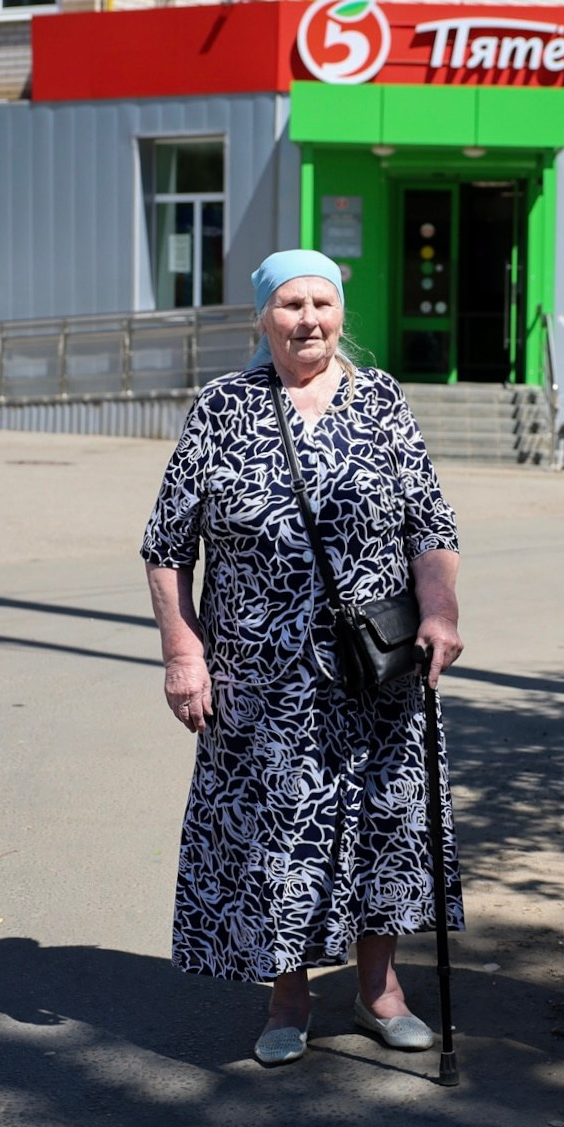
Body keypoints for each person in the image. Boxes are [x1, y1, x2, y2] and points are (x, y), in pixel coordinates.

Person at [141, 249, 466, 1065]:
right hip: (260, 681)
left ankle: (379, 991)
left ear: (341, 313)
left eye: (322, 303)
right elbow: (166, 546)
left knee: (382, 824)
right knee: (275, 837)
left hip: (376, 674)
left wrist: (441, 613)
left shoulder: (382, 401)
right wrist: (185, 656)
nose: (309, 319)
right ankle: (287, 998)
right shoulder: (222, 407)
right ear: (263, 317)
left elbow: (430, 523)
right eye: (291, 304)